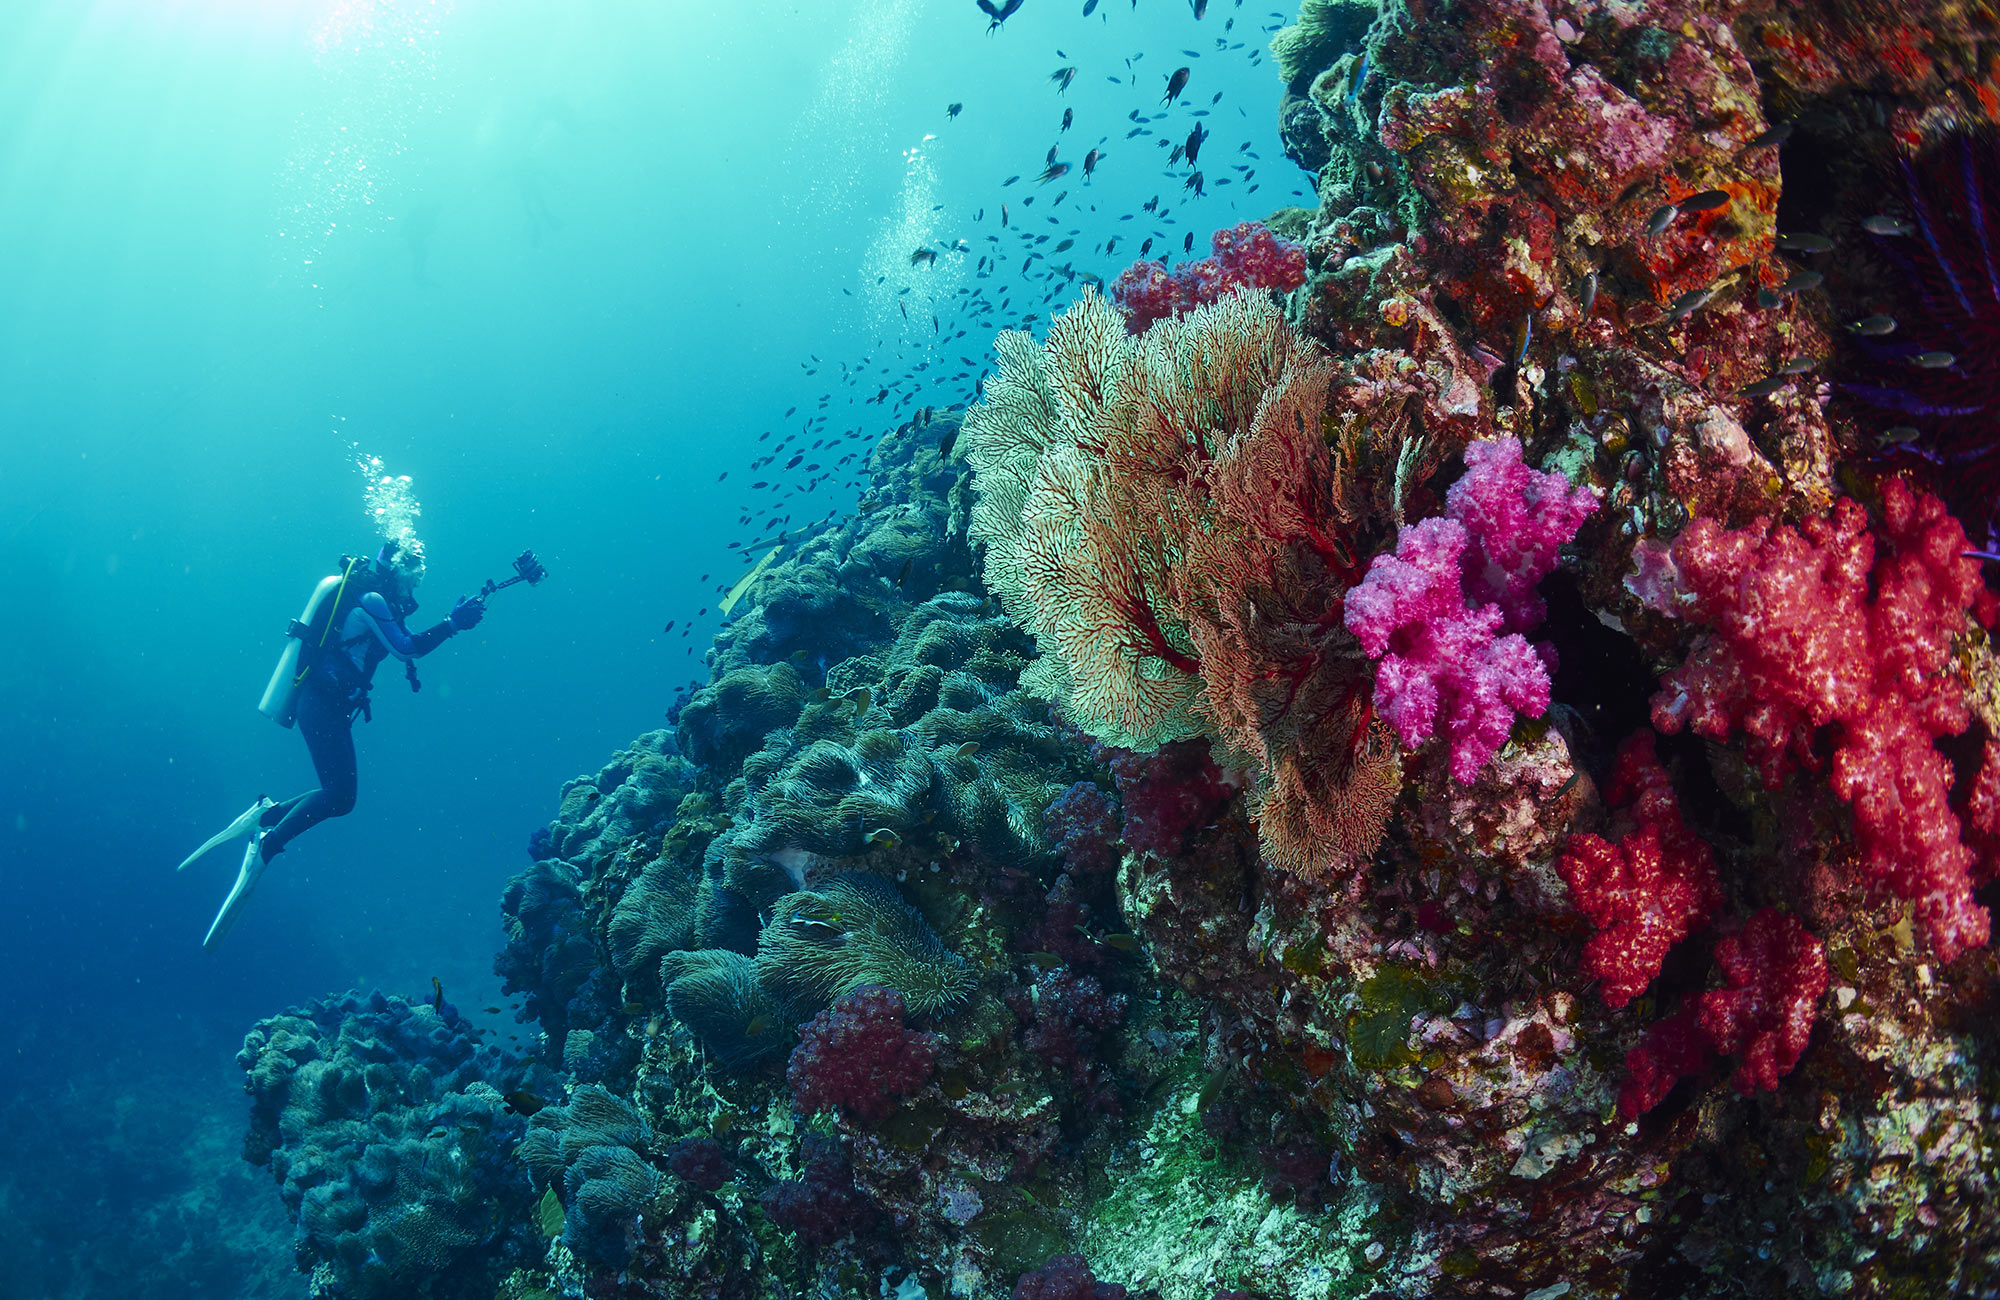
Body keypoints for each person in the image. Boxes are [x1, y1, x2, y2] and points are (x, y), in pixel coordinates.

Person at [179, 539, 485, 948]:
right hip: (321, 705)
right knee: (340, 796)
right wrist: (451, 624)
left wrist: (450, 622)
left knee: (339, 794)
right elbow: (405, 648)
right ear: (397, 571)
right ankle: (266, 845)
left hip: (327, 705)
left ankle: (266, 816)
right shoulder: (373, 598)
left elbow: (400, 639)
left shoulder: (375, 598)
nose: (414, 587)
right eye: (413, 577)